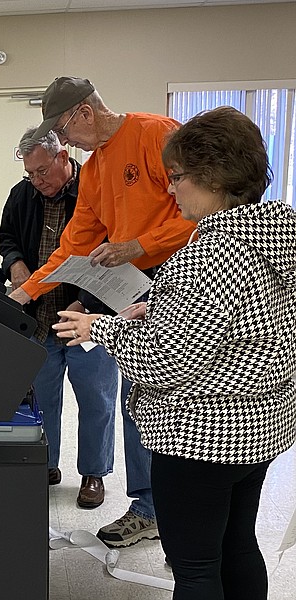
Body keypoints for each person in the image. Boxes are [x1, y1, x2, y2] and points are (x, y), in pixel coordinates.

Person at [53, 106, 296, 600]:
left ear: (212, 176)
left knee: (195, 567)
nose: (170, 188)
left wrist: (101, 326)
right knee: (237, 545)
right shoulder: (276, 232)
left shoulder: (213, 251)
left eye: (178, 176)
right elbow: (235, 321)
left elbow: (168, 361)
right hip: (261, 426)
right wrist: (161, 308)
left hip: (203, 435)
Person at [9, 76, 196, 547]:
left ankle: (164, 509)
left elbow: (198, 212)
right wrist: (25, 293)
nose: (65, 141)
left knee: (163, 407)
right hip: (130, 297)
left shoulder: (156, 134)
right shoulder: (93, 172)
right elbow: (72, 247)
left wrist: (137, 244)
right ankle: (151, 507)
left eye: (65, 130)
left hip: (179, 287)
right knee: (138, 401)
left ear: (84, 113)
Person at [0, 126, 117, 509]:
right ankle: (44, 464)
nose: (37, 181)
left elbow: (112, 255)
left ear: (63, 157)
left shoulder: (96, 191)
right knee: (41, 400)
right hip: (41, 318)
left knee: (96, 400)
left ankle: (93, 474)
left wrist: (85, 300)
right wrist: (14, 263)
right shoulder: (22, 195)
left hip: (89, 316)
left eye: (43, 172)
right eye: (30, 173)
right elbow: (7, 236)